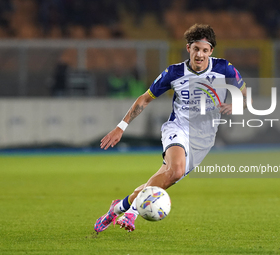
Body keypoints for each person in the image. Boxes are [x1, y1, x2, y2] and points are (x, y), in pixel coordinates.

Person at [94, 24, 248, 232]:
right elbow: (144, 99)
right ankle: (132, 214)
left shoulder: (224, 68)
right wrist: (121, 127)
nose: (200, 55)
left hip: (203, 139)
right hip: (178, 127)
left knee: (166, 178)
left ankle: (117, 208)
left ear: (211, 51)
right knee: (174, 171)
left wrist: (236, 104)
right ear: (188, 48)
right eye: (196, 49)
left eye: (204, 50)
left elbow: (245, 93)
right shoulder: (174, 73)